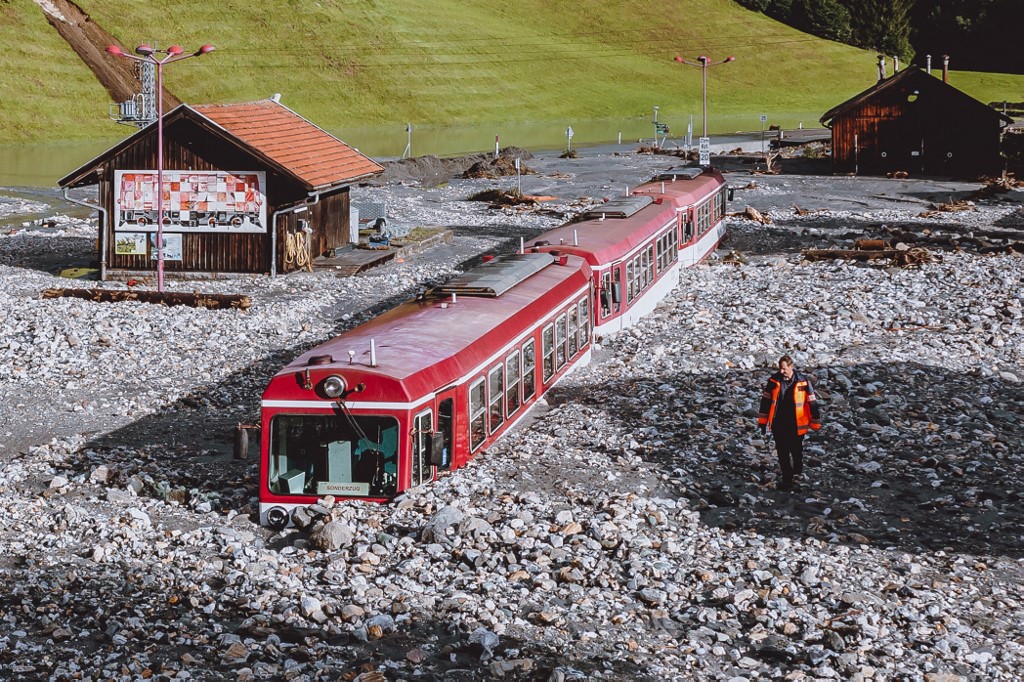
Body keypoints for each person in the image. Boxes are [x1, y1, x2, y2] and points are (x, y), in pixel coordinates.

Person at [758, 355, 821, 490]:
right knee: (782, 452)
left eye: (784, 369)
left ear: (791, 367)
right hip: (778, 423)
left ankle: (797, 470)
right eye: (780, 369)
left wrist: (815, 422)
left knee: (796, 450)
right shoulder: (774, 381)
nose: (781, 371)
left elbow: (812, 402)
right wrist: (762, 423)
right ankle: (787, 478)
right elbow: (765, 402)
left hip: (796, 423)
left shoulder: (803, 381)